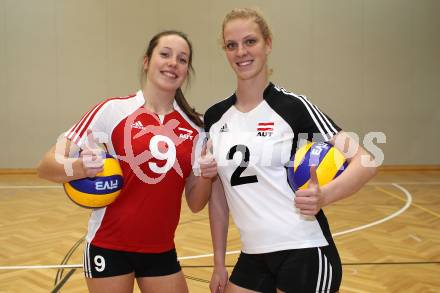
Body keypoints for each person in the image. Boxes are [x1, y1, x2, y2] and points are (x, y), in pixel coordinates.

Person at [204, 8, 378, 293]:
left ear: (268, 44)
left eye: (250, 41)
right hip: (253, 253)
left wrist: (325, 195)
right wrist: (218, 263)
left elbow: (366, 161)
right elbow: (219, 197)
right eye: (231, 45)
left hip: (305, 249)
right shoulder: (215, 117)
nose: (241, 52)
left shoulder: (293, 107)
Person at [37, 30, 217, 293]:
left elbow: (196, 202)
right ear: (146, 61)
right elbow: (46, 165)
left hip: (161, 249)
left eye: (182, 59)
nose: (172, 63)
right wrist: (78, 168)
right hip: (108, 246)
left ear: (187, 70)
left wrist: (205, 173)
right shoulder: (112, 110)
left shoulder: (195, 128)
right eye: (165, 54)